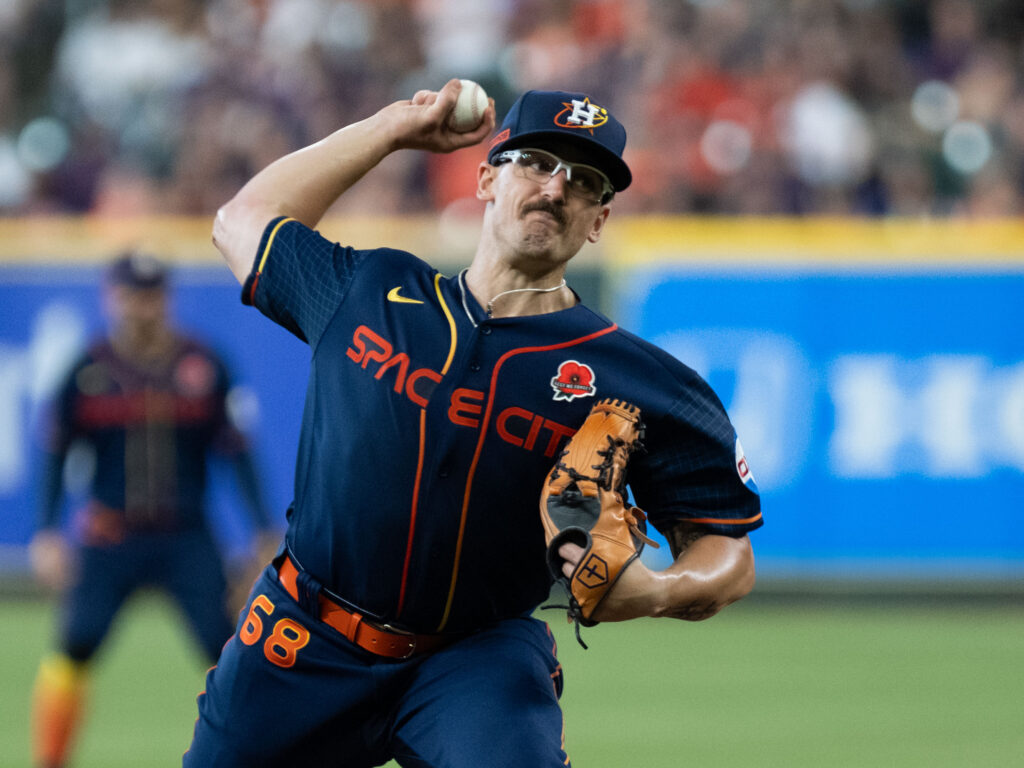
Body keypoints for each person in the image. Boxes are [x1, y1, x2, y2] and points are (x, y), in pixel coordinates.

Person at [185, 80, 762, 767]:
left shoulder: (642, 383)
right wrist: (392, 127)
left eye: (583, 181)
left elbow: (727, 551)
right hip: (304, 634)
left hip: (475, 660)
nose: (555, 188)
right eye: (537, 163)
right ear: (487, 178)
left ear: (599, 220)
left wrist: (662, 590)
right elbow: (242, 219)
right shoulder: (368, 292)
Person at [29, 252, 278, 768]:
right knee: (75, 643)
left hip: (185, 533)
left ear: (167, 298)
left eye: (152, 295)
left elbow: (238, 452)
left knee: (229, 651)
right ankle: (49, 760)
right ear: (110, 297)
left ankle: (251, 756)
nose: (142, 307)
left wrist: (261, 530)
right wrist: (48, 531)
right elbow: (54, 452)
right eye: (131, 295)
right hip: (109, 533)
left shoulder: (204, 365)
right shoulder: (87, 369)